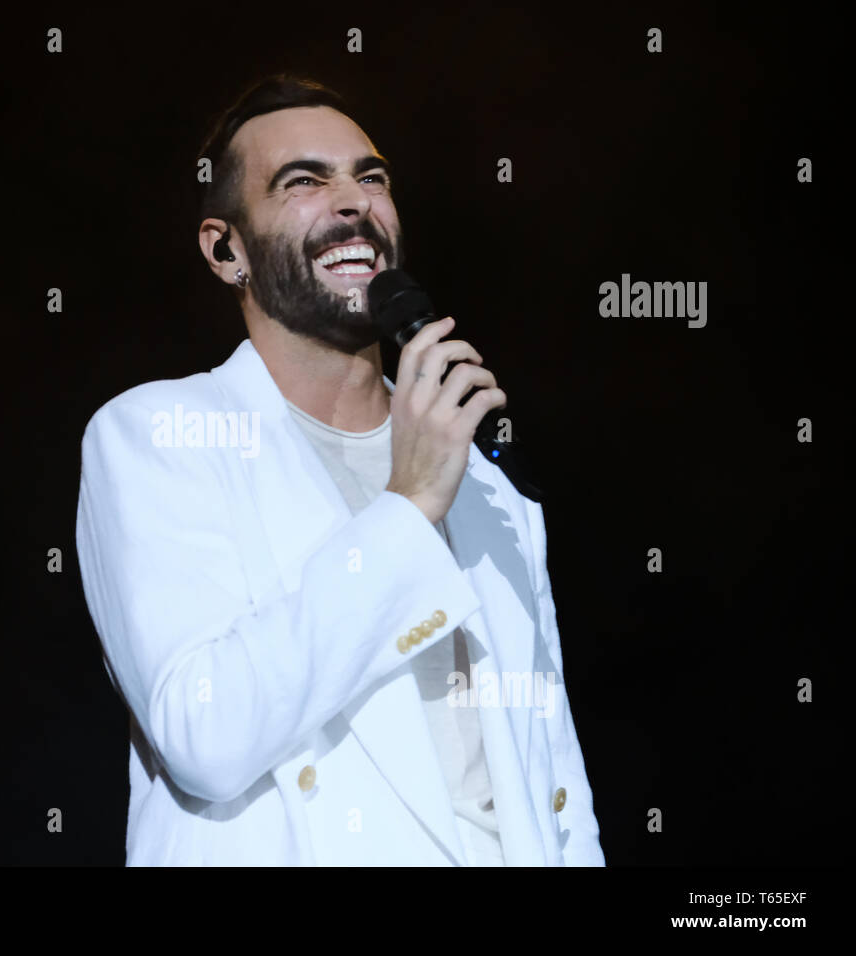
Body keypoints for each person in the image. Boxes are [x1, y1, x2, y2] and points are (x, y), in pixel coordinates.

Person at [75, 74, 605, 866]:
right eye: (304, 181)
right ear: (227, 251)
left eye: (372, 177)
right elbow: (206, 733)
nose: (354, 202)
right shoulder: (157, 435)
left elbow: (551, 775)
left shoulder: (484, 476)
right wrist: (409, 504)